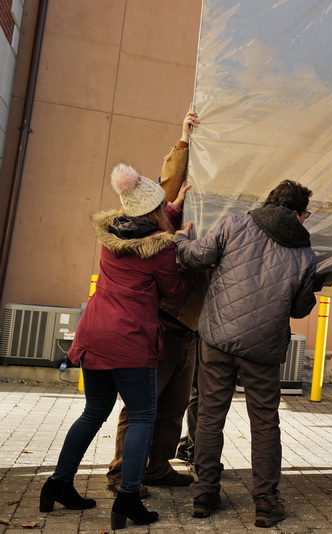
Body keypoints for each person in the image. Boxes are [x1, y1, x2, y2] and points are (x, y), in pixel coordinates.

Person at [39, 163, 192, 530]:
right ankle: (128, 497)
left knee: (94, 412)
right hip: (130, 338)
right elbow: (176, 292)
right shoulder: (160, 251)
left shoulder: (111, 234)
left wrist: (173, 208)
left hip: (94, 333)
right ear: (154, 212)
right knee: (142, 415)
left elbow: (143, 225)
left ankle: (58, 483)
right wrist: (182, 245)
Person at [174, 180, 317, 528]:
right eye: (306, 214)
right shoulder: (305, 253)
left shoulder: (234, 224)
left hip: (218, 338)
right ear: (297, 213)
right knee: (265, 423)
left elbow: (195, 257)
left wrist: (180, 238)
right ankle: (266, 503)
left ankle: (205, 494)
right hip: (263, 348)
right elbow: (299, 310)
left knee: (209, 415)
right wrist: (309, 289)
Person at [105, 108, 204, 494]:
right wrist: (183, 138)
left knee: (173, 406)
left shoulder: (166, 217)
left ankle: (157, 467)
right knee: (142, 404)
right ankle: (119, 473)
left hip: (190, 327)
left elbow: (168, 201)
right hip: (162, 321)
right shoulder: (147, 235)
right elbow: (169, 184)